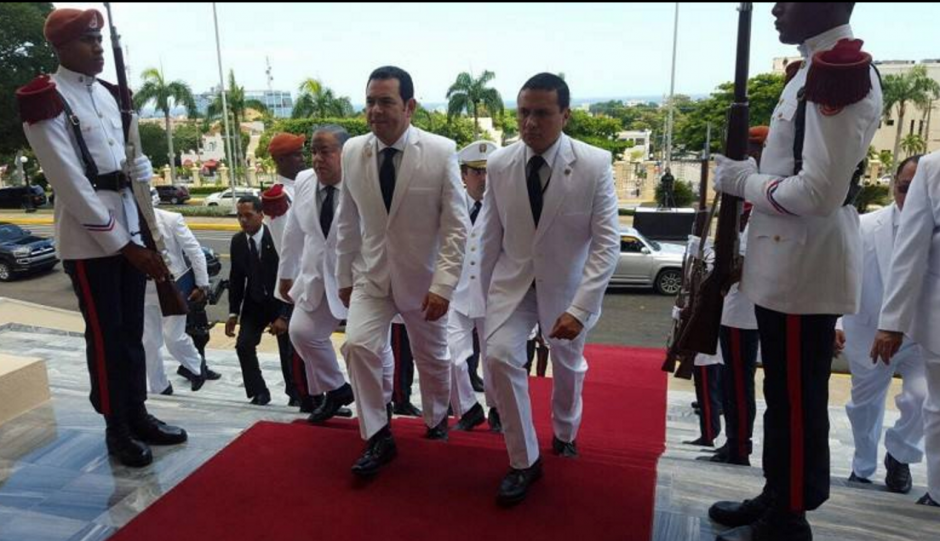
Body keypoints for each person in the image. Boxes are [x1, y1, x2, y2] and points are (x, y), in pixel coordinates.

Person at [709, 4, 883, 540]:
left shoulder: (840, 74)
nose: (777, 9)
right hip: (785, 262)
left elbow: (818, 192)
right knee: (781, 394)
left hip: (804, 266)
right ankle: (777, 491)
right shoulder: (811, 68)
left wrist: (744, 182)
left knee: (799, 396)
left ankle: (791, 516)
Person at [17, 8, 186, 468]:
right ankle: (116, 428)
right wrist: (124, 246)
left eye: (99, 38)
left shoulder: (112, 97)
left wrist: (141, 176)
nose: (97, 48)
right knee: (107, 336)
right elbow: (69, 183)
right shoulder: (46, 100)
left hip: (129, 225)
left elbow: (125, 161)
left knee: (133, 331)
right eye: (88, 39)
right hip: (91, 241)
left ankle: (138, 413)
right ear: (61, 47)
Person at [480, 73, 620, 505]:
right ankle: (524, 461)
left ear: (565, 115)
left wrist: (580, 309)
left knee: (567, 366)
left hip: (567, 290)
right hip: (513, 285)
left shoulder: (594, 164)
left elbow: (607, 242)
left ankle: (564, 431)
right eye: (523, 112)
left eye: (541, 113)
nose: (530, 123)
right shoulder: (500, 164)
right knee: (501, 354)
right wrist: (482, 300)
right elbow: (488, 234)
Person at [335, 66, 468, 477]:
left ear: (409, 106)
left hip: (425, 281)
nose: (375, 110)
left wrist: (444, 285)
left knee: (432, 358)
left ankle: (434, 423)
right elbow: (347, 221)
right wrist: (343, 277)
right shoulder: (353, 150)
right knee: (357, 346)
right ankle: (378, 435)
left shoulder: (442, 150)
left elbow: (456, 227)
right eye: (370, 101)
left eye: (386, 102)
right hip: (371, 278)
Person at [838, 156, 927, 494]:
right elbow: (840, 275)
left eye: (921, 188)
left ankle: (900, 453)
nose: (912, 196)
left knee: (924, 399)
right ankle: (862, 468)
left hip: (922, 335)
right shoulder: (864, 226)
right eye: (905, 188)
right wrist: (835, 320)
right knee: (864, 407)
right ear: (894, 186)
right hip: (868, 331)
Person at [278, 125, 379, 423]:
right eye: (313, 151)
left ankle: (380, 405)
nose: (317, 159)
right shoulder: (304, 181)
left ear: (344, 154)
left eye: (326, 151)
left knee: (370, 346)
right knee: (302, 333)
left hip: (359, 277)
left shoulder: (364, 180)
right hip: (317, 276)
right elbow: (294, 231)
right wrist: (286, 273)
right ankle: (336, 390)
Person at [873, 150, 940, 508]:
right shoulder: (933, 168)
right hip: (936, 314)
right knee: (935, 405)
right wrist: (892, 323)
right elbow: (911, 248)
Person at [448, 140, 500, 432]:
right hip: (456, 294)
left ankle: (497, 410)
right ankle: (467, 409)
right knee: (452, 356)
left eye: (488, 172)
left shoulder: (504, 207)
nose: (483, 178)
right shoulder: (451, 205)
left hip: (493, 295)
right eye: (476, 172)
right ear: (464, 175)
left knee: (494, 359)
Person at [261, 133, 314, 410]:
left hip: (311, 277)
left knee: (311, 341)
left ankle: (316, 393)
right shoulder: (277, 197)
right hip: (297, 281)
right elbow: (287, 247)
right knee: (297, 343)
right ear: (280, 160)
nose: (302, 158)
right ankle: (303, 395)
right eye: (295, 154)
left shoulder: (303, 186)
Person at [226, 195, 290, 406]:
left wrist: (283, 315)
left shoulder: (277, 237)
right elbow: (236, 278)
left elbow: (291, 276)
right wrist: (233, 313)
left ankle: (297, 393)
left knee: (289, 349)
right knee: (243, 345)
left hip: (279, 301)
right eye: (239, 216)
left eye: (248, 216)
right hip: (254, 304)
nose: (243, 221)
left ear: (261, 215)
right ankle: (259, 391)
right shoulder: (237, 242)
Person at [142, 208, 214, 395]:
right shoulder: (126, 220)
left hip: (172, 285)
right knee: (149, 341)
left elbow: (194, 251)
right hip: (144, 288)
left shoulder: (171, 219)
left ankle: (197, 366)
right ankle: (160, 386)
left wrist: (202, 284)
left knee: (173, 337)